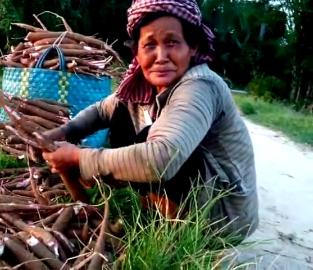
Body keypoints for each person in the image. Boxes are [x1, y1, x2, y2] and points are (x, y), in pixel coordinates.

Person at [33, 0, 259, 242]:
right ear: (137, 52)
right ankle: (153, 213)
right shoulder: (142, 85)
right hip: (198, 195)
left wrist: (79, 158)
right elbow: (102, 110)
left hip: (223, 216)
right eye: (149, 45)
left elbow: (163, 158)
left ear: (192, 47)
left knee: (155, 145)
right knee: (121, 116)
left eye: (172, 42)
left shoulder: (199, 86)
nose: (161, 56)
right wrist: (66, 132)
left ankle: (177, 237)